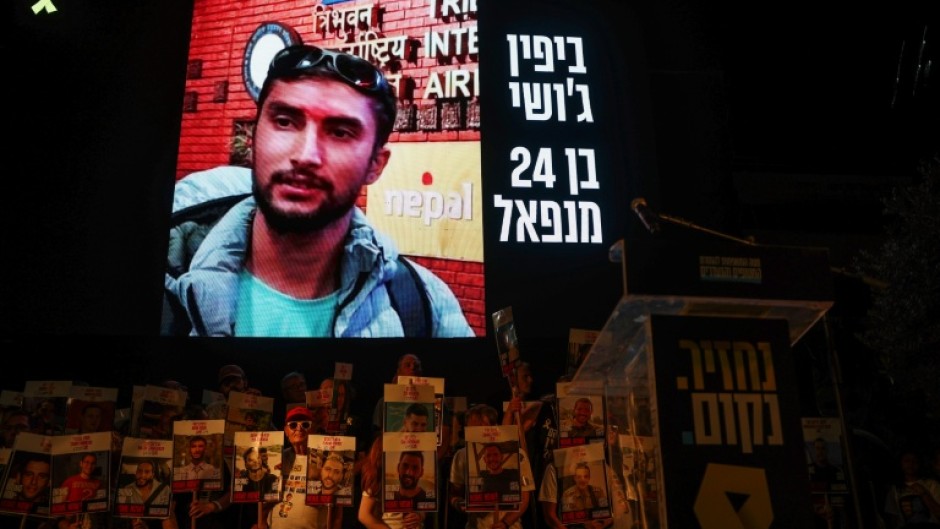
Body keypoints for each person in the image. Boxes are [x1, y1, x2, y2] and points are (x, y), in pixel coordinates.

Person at [162, 44, 473, 338]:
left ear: (375, 165)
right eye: (285, 122)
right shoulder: (166, 265)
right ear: (254, 139)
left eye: (340, 132)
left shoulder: (424, 306)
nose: (306, 155)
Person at [449, 404, 534, 529]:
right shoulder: (461, 455)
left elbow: (525, 497)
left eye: (482, 429)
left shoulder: (518, 455)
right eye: (472, 430)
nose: (478, 434)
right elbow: (454, 492)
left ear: (494, 427)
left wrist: (505, 523)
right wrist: (458, 503)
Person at [261, 406, 341, 529]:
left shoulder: (326, 460)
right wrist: (261, 523)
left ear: (313, 429)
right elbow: (263, 499)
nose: (299, 428)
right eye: (293, 425)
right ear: (286, 431)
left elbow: (338, 507)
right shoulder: (276, 458)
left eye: (305, 424)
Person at [358, 435, 425, 529]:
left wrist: (419, 516)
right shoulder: (378, 479)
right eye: (405, 466)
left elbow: (423, 509)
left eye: (415, 468)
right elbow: (364, 515)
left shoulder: (421, 491)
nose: (409, 472)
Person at [883, 449, 940, 528]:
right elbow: (893, 517)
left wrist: (924, 494)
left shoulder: (932, 484)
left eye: (914, 461)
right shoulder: (894, 490)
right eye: (907, 461)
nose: (911, 464)